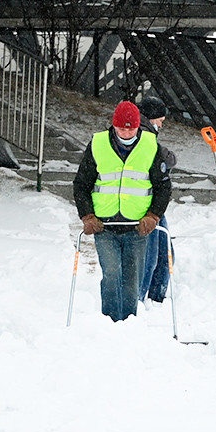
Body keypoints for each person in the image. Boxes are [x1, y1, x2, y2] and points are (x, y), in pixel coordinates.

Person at [73, 100, 172, 322]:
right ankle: (109, 322)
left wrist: (153, 216)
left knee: (131, 278)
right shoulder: (98, 144)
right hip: (104, 226)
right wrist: (87, 216)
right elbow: (81, 184)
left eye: (131, 127)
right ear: (114, 125)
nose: (126, 132)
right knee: (111, 274)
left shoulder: (151, 146)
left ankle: (128, 323)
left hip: (137, 228)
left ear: (139, 126)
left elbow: (163, 186)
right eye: (121, 127)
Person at [138, 95, 175, 303]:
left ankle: (151, 299)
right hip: (146, 204)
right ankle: (145, 299)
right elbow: (167, 158)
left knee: (161, 253)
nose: (162, 123)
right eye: (160, 119)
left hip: (151, 203)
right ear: (151, 118)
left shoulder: (145, 133)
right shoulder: (144, 136)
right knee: (153, 257)